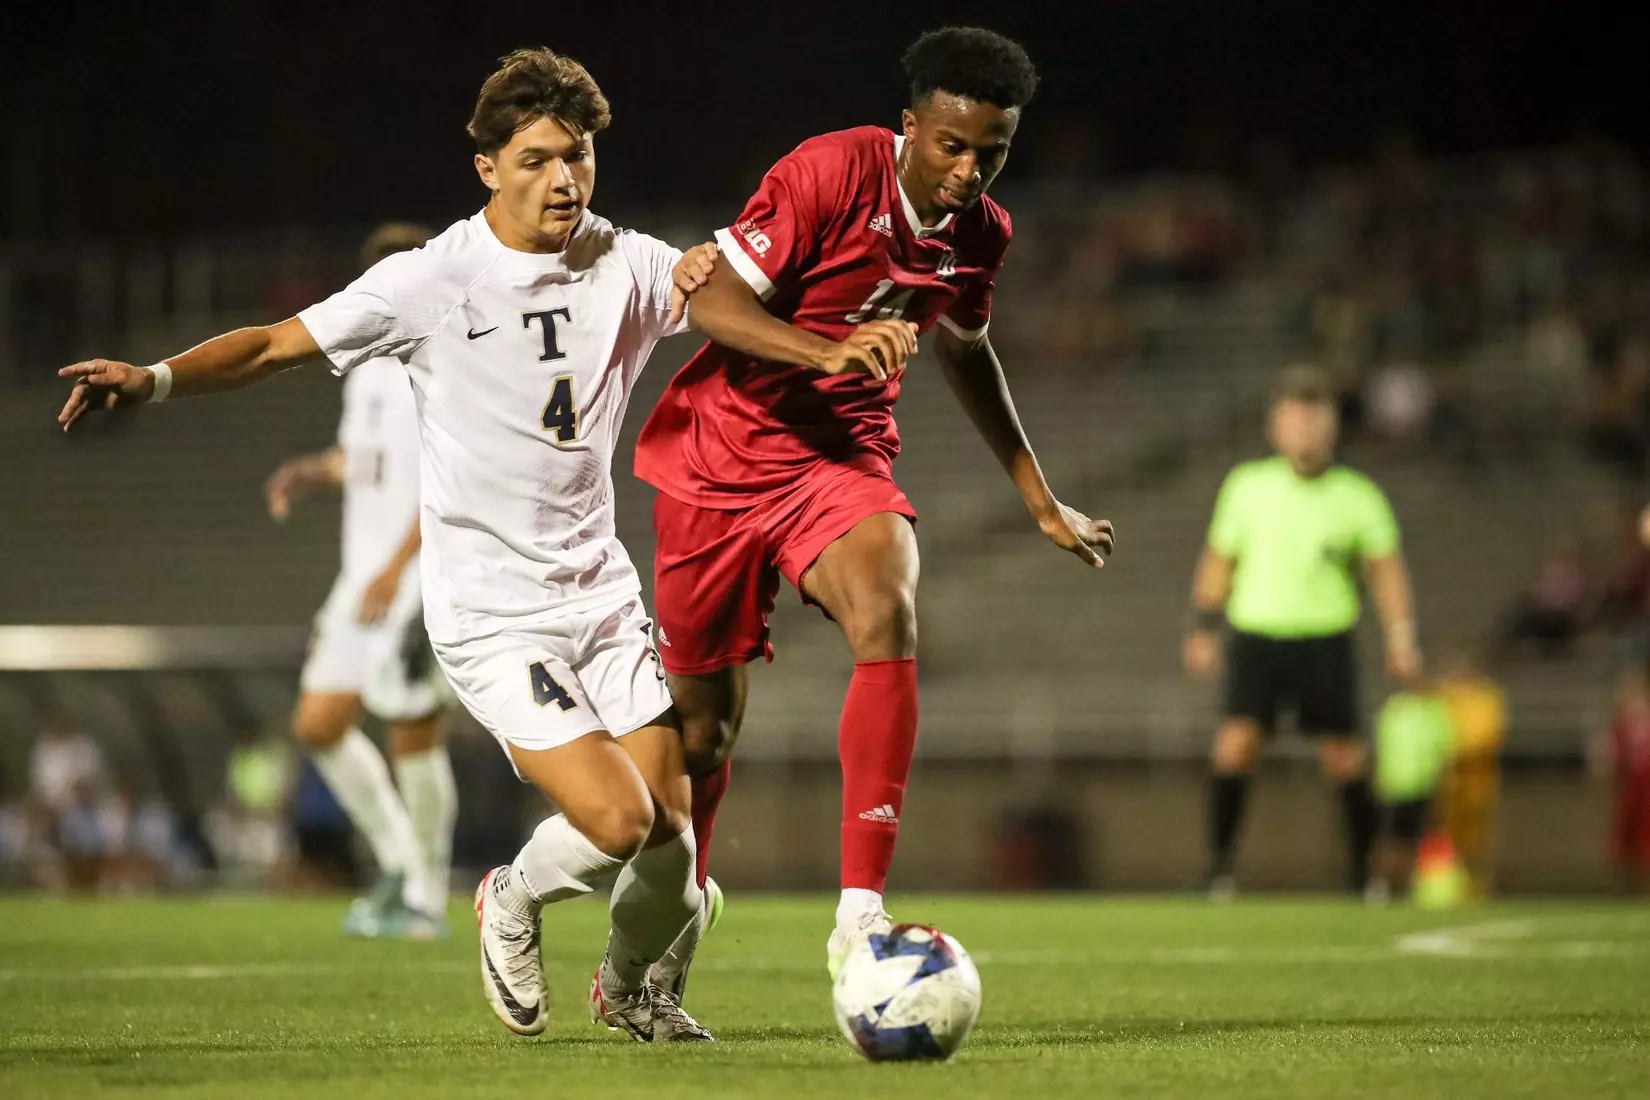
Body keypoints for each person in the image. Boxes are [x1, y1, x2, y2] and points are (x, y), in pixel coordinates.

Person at [57, 47, 720, 1042]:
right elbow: (275, 343)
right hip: (496, 612)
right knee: (621, 822)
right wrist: (151, 378)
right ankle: (507, 898)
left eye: (577, 156)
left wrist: (765, 280)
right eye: (537, 158)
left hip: (602, 593)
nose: (564, 178)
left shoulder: (622, 257)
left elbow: (726, 295)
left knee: (675, 847)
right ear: (487, 167)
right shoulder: (430, 279)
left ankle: (631, 990)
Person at [636, 25, 1114, 985]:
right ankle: (662, 937)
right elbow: (714, 305)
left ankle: (859, 915)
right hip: (719, 457)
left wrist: (1040, 497)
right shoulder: (828, 174)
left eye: (993, 150)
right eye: (953, 144)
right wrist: (823, 351)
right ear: (910, 128)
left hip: (839, 460)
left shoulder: (983, 236)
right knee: (704, 730)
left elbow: (967, 348)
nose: (970, 169)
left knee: (888, 601)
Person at [261, 222, 458, 938]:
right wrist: (315, 472)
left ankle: (426, 897)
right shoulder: (367, 369)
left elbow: (447, 480)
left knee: (413, 731)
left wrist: (398, 568)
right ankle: (401, 866)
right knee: (319, 724)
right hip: (360, 579)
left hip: (416, 575)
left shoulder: (442, 367)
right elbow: (365, 458)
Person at [1184, 366, 1420, 898]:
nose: (1305, 431)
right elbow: (1219, 562)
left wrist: (1402, 636)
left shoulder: (1358, 496)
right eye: (1295, 419)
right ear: (1277, 427)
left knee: (1345, 757)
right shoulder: (1247, 486)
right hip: (1256, 635)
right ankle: (1218, 870)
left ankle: (1365, 876)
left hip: (1325, 636)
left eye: (1315, 420)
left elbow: (1386, 572)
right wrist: (1202, 627)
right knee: (1235, 746)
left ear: (1331, 427)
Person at [1370, 678, 1456, 898]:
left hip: (1422, 786)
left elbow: (1444, 749)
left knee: (1414, 841)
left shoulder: (1432, 711)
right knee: (1389, 839)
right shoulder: (1394, 710)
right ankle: (1381, 886)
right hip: (1394, 786)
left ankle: (1408, 888)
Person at [1435, 648, 1506, 896]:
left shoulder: (1486, 698)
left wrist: (1461, 749)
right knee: (1448, 835)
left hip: (1477, 779)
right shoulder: (1445, 697)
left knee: (1478, 838)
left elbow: (1489, 737)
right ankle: (1449, 885)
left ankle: (1479, 886)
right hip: (1450, 779)